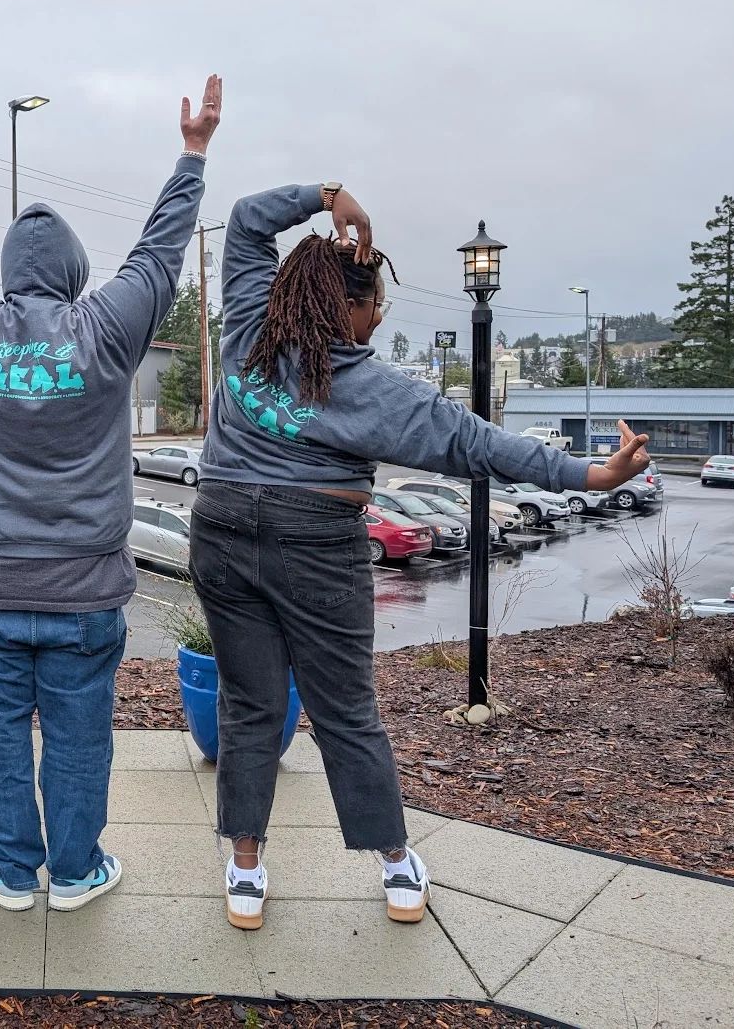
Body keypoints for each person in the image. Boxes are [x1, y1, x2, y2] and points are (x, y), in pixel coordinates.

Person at [192, 182, 654, 930]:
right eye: (376, 306)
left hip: (220, 528)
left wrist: (326, 195)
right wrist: (592, 475)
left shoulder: (249, 322)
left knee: (250, 703)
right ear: (348, 308)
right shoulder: (375, 388)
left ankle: (245, 871)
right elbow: (479, 444)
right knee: (345, 709)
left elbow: (246, 222)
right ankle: (396, 865)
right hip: (316, 542)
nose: (378, 319)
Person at [0, 67, 222, 912]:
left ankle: (8, 868)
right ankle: (75, 871)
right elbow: (158, 255)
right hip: (85, 588)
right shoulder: (104, 329)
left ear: (9, 271)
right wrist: (191, 157)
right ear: (74, 272)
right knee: (79, 734)